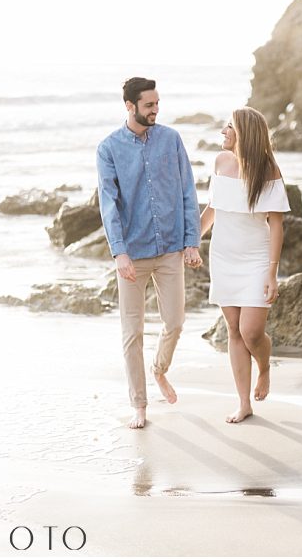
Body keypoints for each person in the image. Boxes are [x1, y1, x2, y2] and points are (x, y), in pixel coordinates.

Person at [96, 77, 203, 429]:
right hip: (132, 255)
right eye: (149, 105)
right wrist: (119, 252)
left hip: (171, 247)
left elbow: (188, 190)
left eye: (158, 104)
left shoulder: (171, 140)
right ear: (130, 106)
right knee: (132, 333)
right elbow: (108, 204)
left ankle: (160, 370)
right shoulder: (109, 148)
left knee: (175, 322)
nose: (156, 110)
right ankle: (139, 405)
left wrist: (192, 240)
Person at [199, 106, 290, 423]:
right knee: (233, 331)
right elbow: (213, 208)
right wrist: (191, 239)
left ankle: (264, 367)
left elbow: (276, 225)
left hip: (256, 258)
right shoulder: (221, 162)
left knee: (252, 332)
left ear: (243, 133)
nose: (223, 133)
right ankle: (243, 403)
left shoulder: (269, 170)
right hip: (223, 255)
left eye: (228, 127)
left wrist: (272, 273)